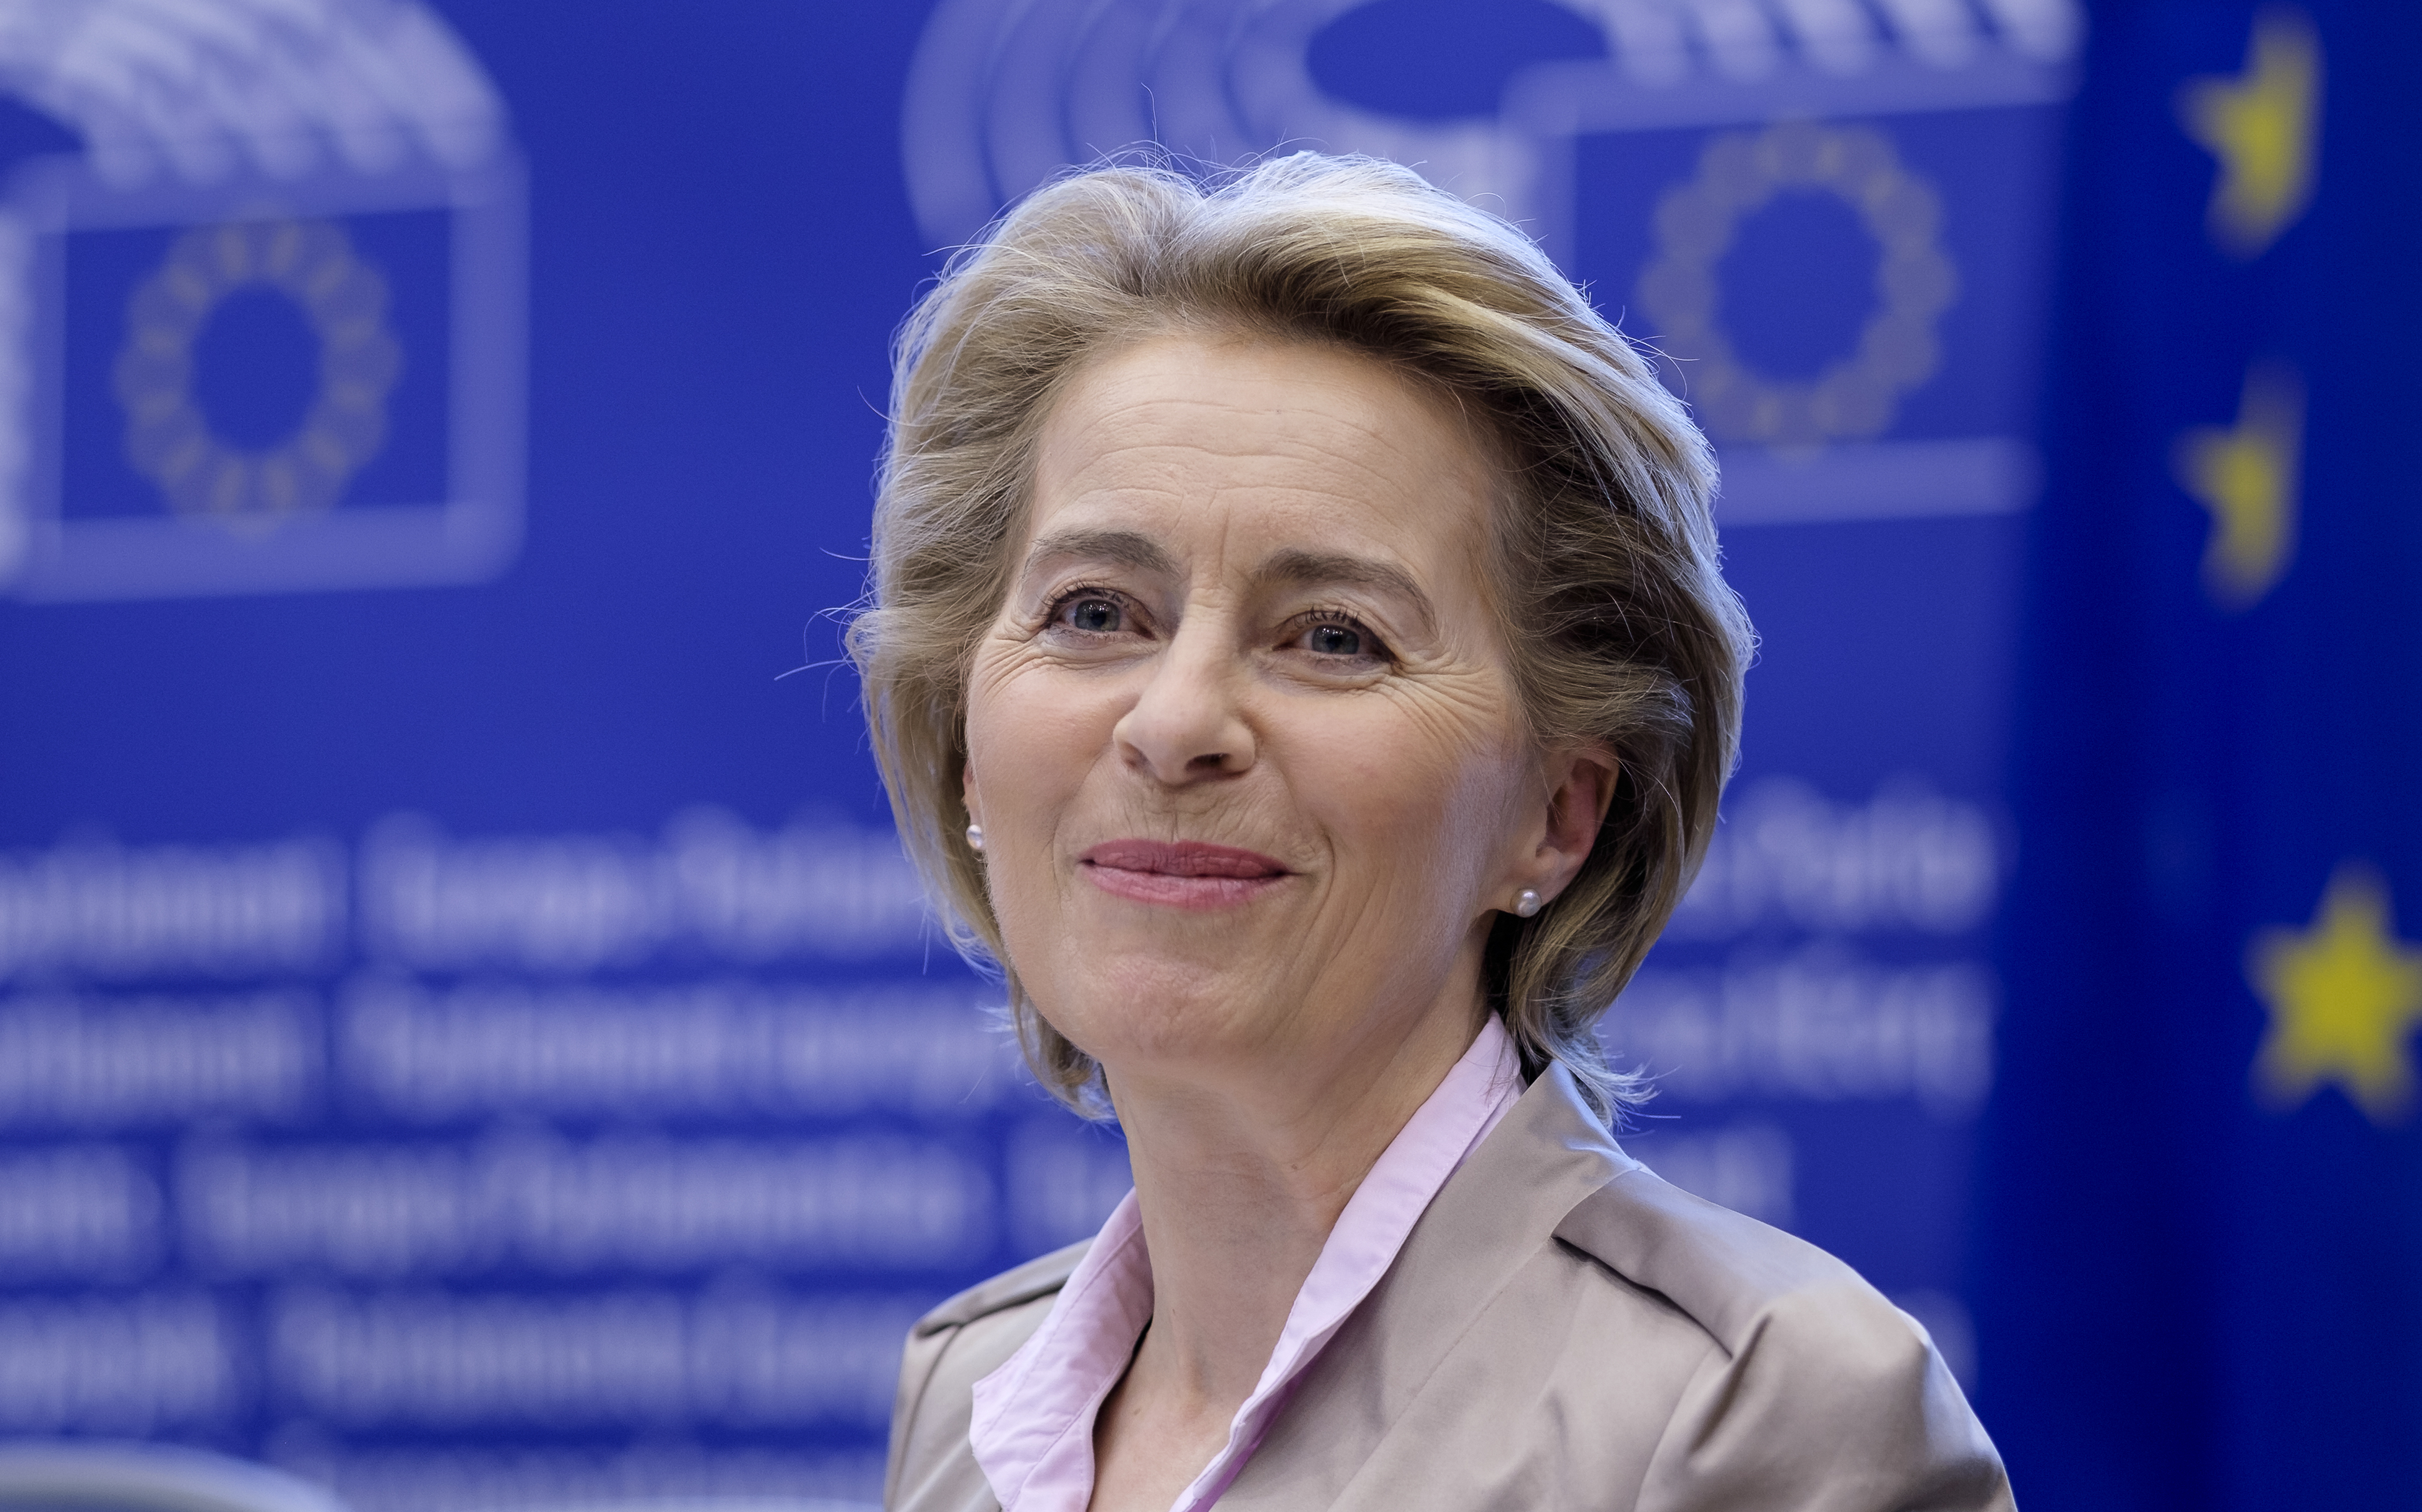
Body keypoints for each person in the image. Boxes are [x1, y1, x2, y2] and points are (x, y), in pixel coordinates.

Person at [852, 153, 2011, 1512]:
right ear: (965, 744)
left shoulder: (1749, 1407)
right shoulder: (968, 1390)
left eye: (1335, 636)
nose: (1174, 723)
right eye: (1095, 611)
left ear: (1558, 813)